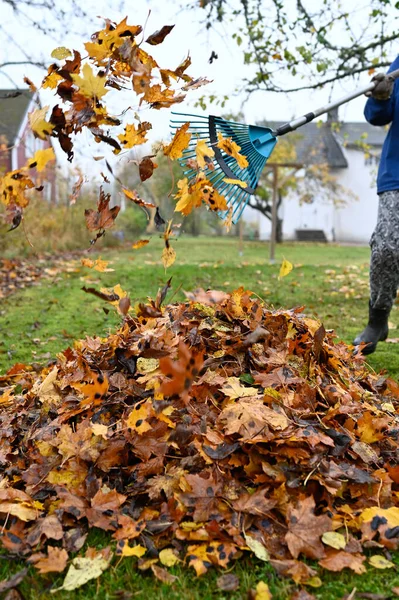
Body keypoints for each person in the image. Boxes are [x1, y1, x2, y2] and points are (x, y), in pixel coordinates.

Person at [354, 57, 399, 354]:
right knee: (386, 246)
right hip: (397, 173)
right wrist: (381, 96)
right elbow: (377, 114)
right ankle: (378, 317)